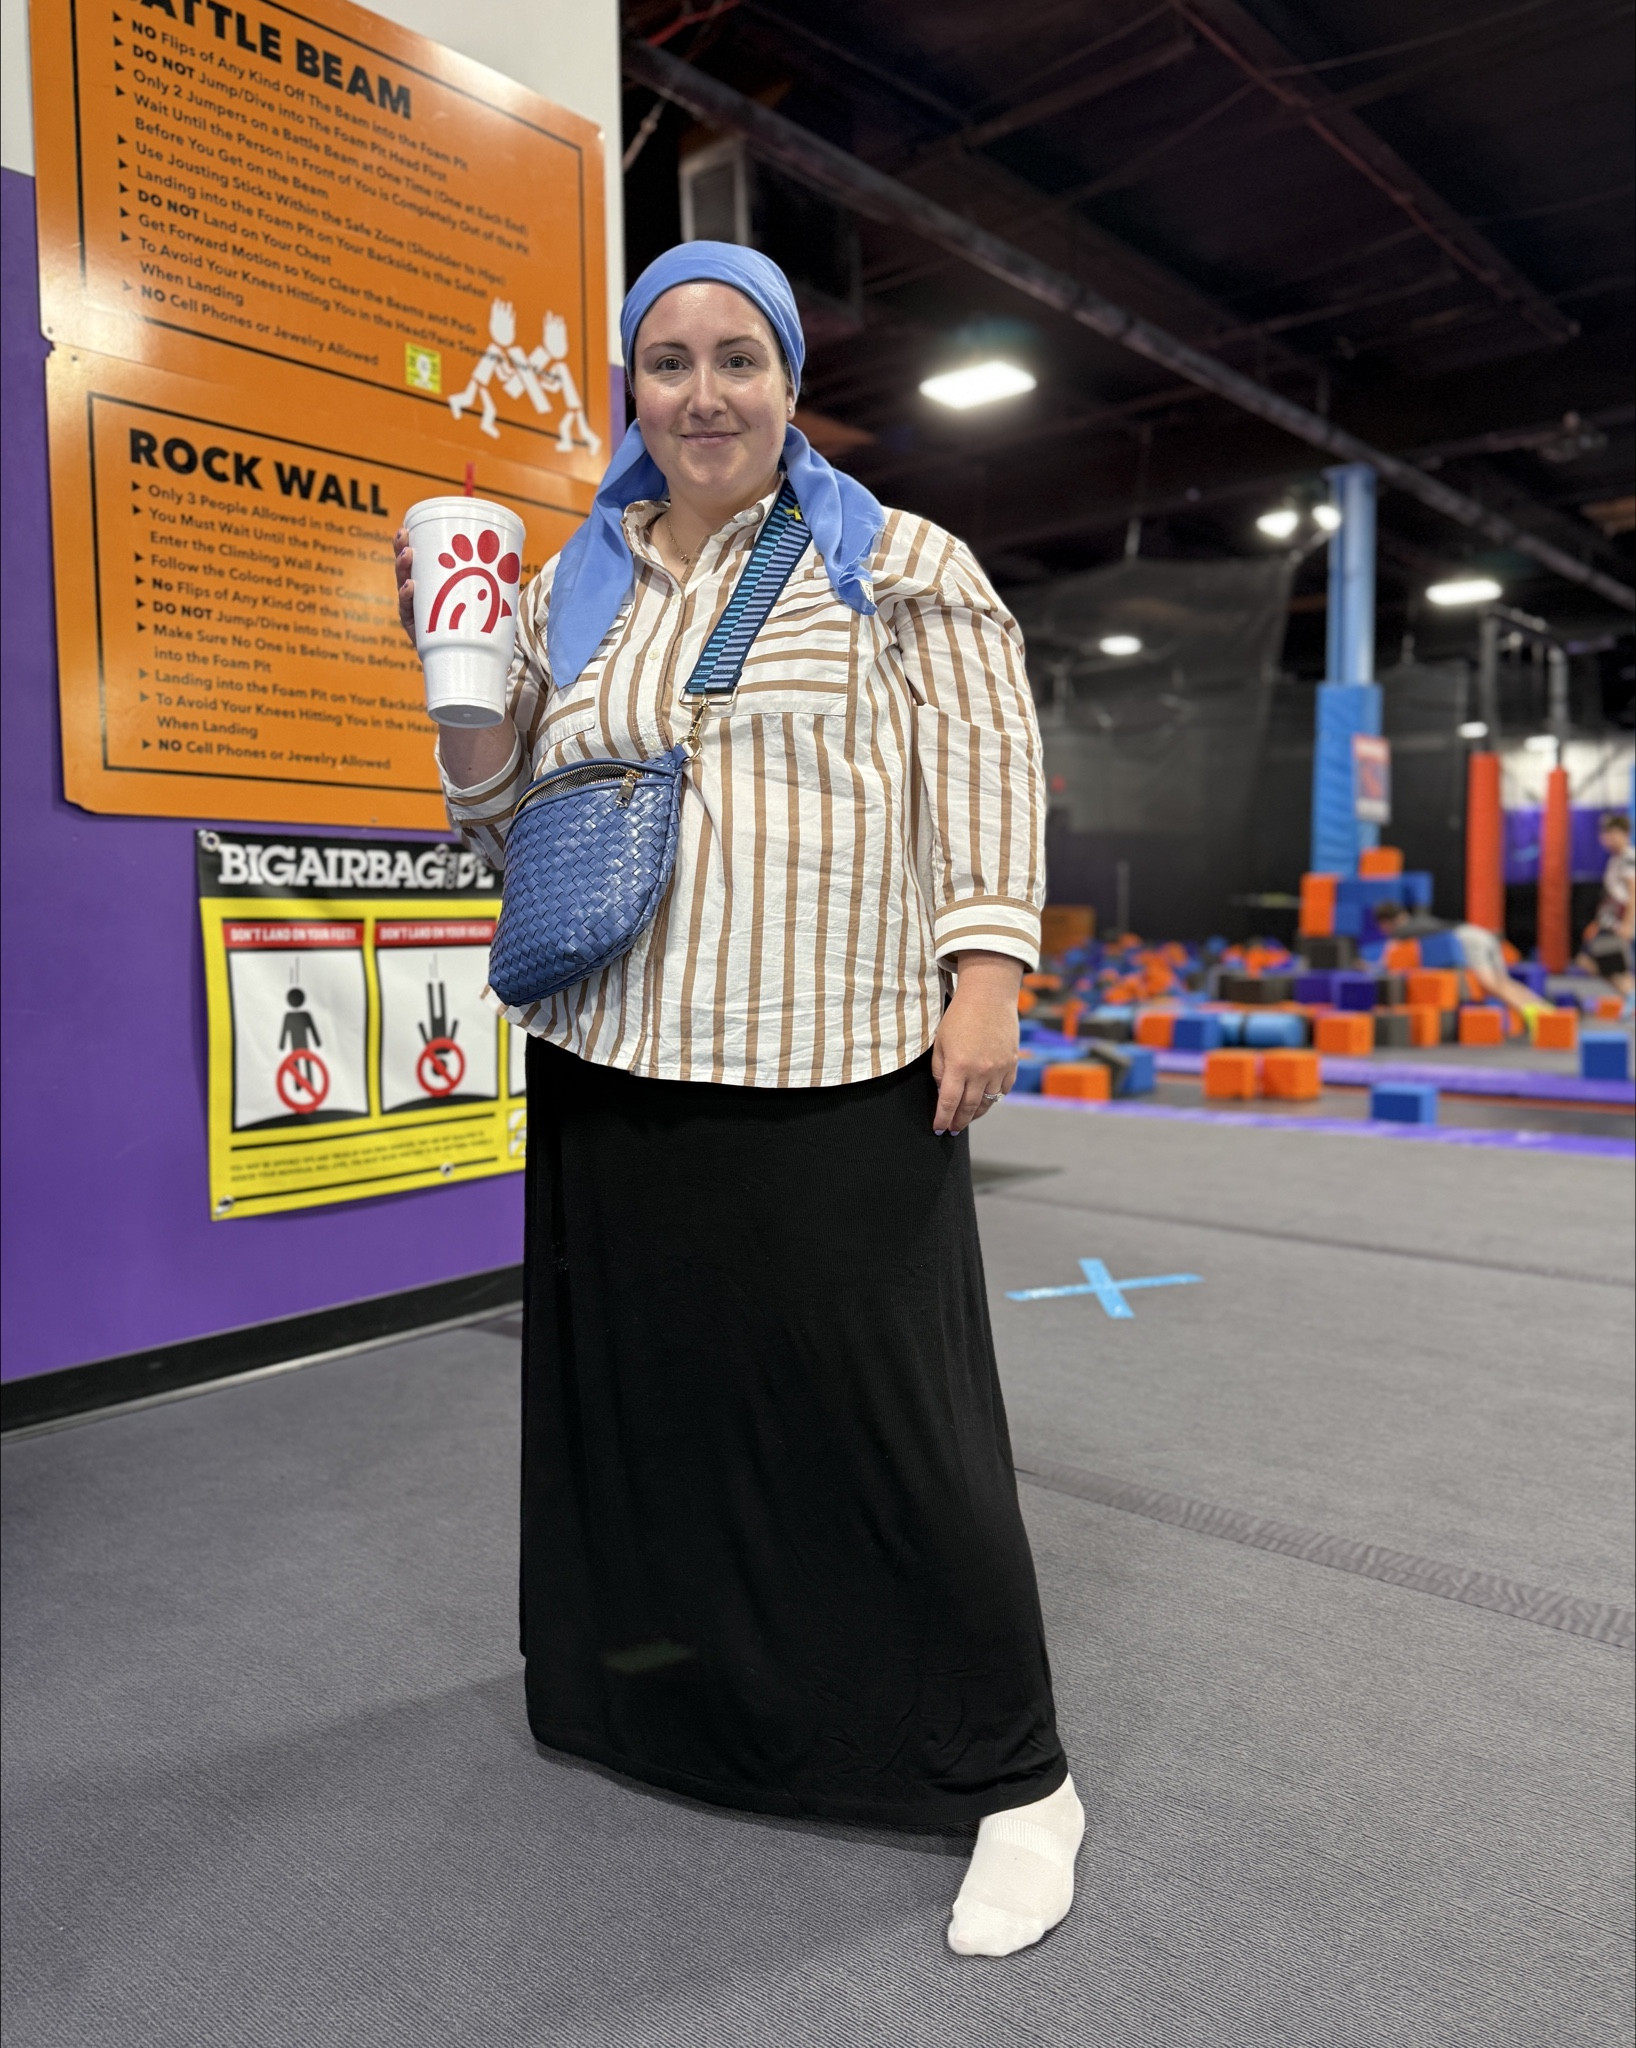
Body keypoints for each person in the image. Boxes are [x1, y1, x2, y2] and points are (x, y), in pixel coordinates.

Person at [392, 244, 1080, 1958]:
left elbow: (988, 773)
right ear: (632, 389)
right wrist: (458, 700)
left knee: (895, 1424)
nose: (702, 393)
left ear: (786, 382)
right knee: (656, 1405)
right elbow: (506, 816)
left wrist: (986, 979)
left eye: (737, 359)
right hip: (614, 1049)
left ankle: (1017, 1777)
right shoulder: (571, 584)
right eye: (669, 361)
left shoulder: (895, 564)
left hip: (832, 1042)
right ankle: (675, 1706)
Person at [1374, 904, 1547, 1024]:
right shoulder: (1418, 920)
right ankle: (1544, 1010)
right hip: (1480, 934)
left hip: (1467, 940)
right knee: (1502, 982)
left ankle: (1533, 1015)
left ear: (1386, 922)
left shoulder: (1401, 930)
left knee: (1490, 985)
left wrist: (1375, 967)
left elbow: (1387, 957)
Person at [1576, 810, 1635, 1010]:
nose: (1607, 839)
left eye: (1612, 834)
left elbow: (1633, 893)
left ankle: (1631, 996)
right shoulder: (1615, 859)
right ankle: (1630, 996)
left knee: (1613, 966)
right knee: (1596, 963)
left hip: (1619, 923)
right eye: (1605, 835)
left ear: (1624, 834)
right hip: (1608, 922)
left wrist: (1628, 925)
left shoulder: (1628, 858)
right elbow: (1609, 897)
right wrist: (1597, 922)